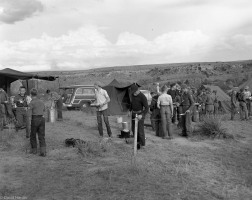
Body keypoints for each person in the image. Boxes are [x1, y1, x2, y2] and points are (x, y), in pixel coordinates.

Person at [28, 88, 46, 156]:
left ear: (31, 95)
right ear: (37, 94)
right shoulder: (41, 101)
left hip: (35, 119)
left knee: (33, 135)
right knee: (41, 136)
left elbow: (29, 113)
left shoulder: (31, 103)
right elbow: (44, 109)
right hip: (42, 119)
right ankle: (43, 152)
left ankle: (34, 151)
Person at [130, 84, 149, 148]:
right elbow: (130, 104)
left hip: (140, 114)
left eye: (134, 92)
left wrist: (142, 114)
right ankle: (137, 143)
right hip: (133, 114)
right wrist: (129, 110)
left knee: (140, 131)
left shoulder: (142, 97)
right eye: (133, 92)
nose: (134, 93)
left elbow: (146, 108)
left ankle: (142, 144)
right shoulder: (132, 95)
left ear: (138, 90)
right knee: (134, 130)